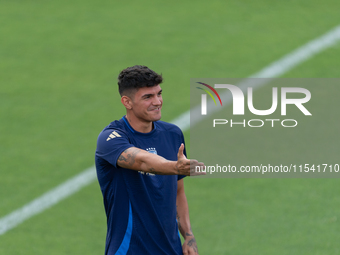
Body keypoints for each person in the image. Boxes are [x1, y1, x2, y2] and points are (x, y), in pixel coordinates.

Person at [95, 65, 205, 255]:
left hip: (171, 250)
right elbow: (143, 161)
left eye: (159, 94)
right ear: (127, 102)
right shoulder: (111, 138)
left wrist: (188, 236)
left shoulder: (172, 134)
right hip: (129, 250)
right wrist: (175, 166)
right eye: (148, 97)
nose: (157, 102)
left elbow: (178, 191)